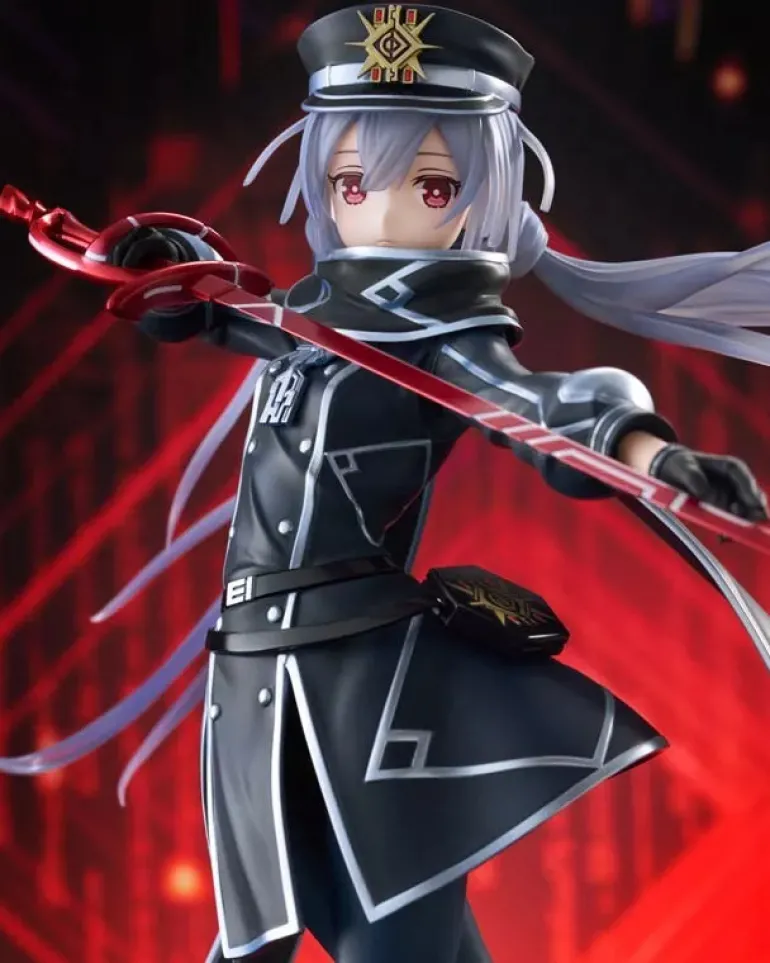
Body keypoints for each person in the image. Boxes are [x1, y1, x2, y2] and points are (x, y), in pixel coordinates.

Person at [4, 6, 770, 963]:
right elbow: (213, 309)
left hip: (364, 686)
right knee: (269, 936)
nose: (381, 210)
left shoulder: (453, 337)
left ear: (482, 193)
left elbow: (549, 405)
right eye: (351, 182)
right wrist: (163, 265)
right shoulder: (305, 316)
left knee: (388, 941)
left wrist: (655, 457)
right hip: (252, 673)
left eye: (431, 184)